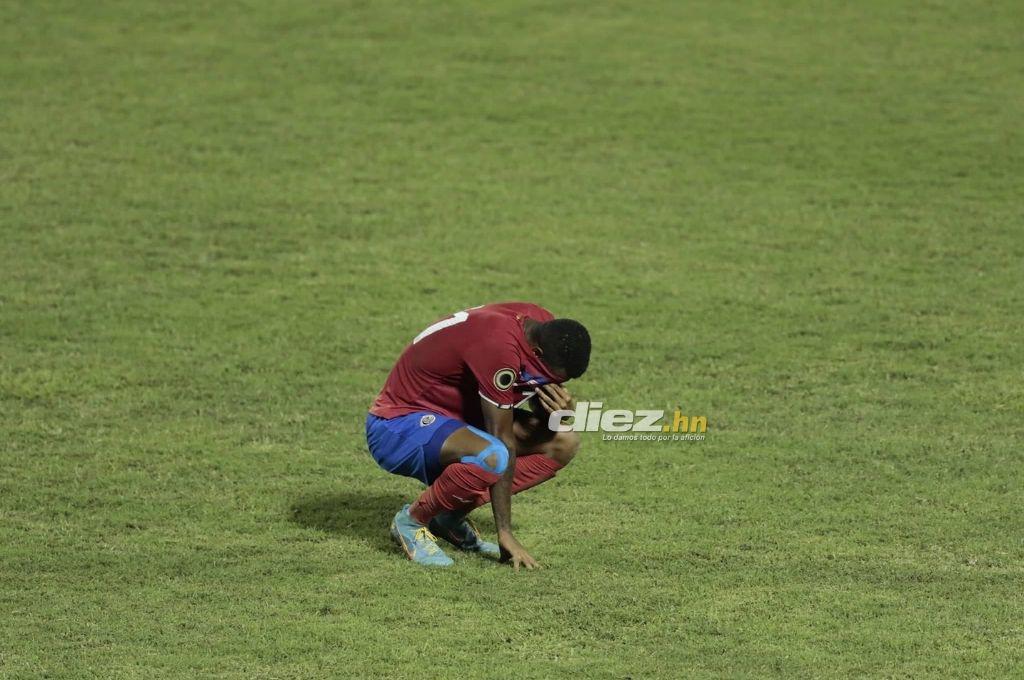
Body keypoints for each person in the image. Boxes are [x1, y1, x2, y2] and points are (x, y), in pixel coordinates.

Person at [365, 302, 591, 569]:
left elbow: (536, 401)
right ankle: (411, 521)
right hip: (398, 425)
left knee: (563, 442)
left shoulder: (540, 325)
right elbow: (502, 440)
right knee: (493, 454)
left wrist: (562, 412)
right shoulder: (500, 347)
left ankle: (448, 516)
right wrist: (505, 532)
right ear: (537, 352)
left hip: (456, 418)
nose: (552, 383)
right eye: (551, 377)